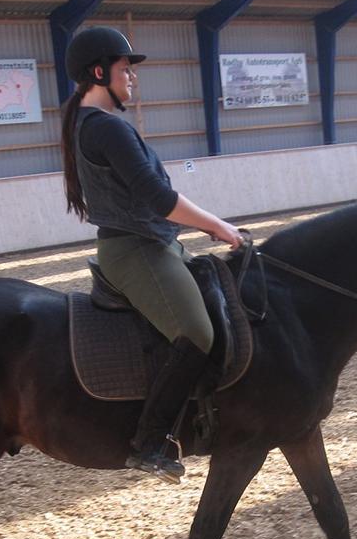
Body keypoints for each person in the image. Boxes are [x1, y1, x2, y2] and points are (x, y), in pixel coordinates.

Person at [61, 26, 242, 484]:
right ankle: (150, 442)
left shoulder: (94, 123)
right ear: (99, 72)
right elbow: (158, 197)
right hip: (135, 249)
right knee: (197, 332)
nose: (132, 78)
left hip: (151, 242)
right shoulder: (104, 127)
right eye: (126, 69)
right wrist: (217, 226)